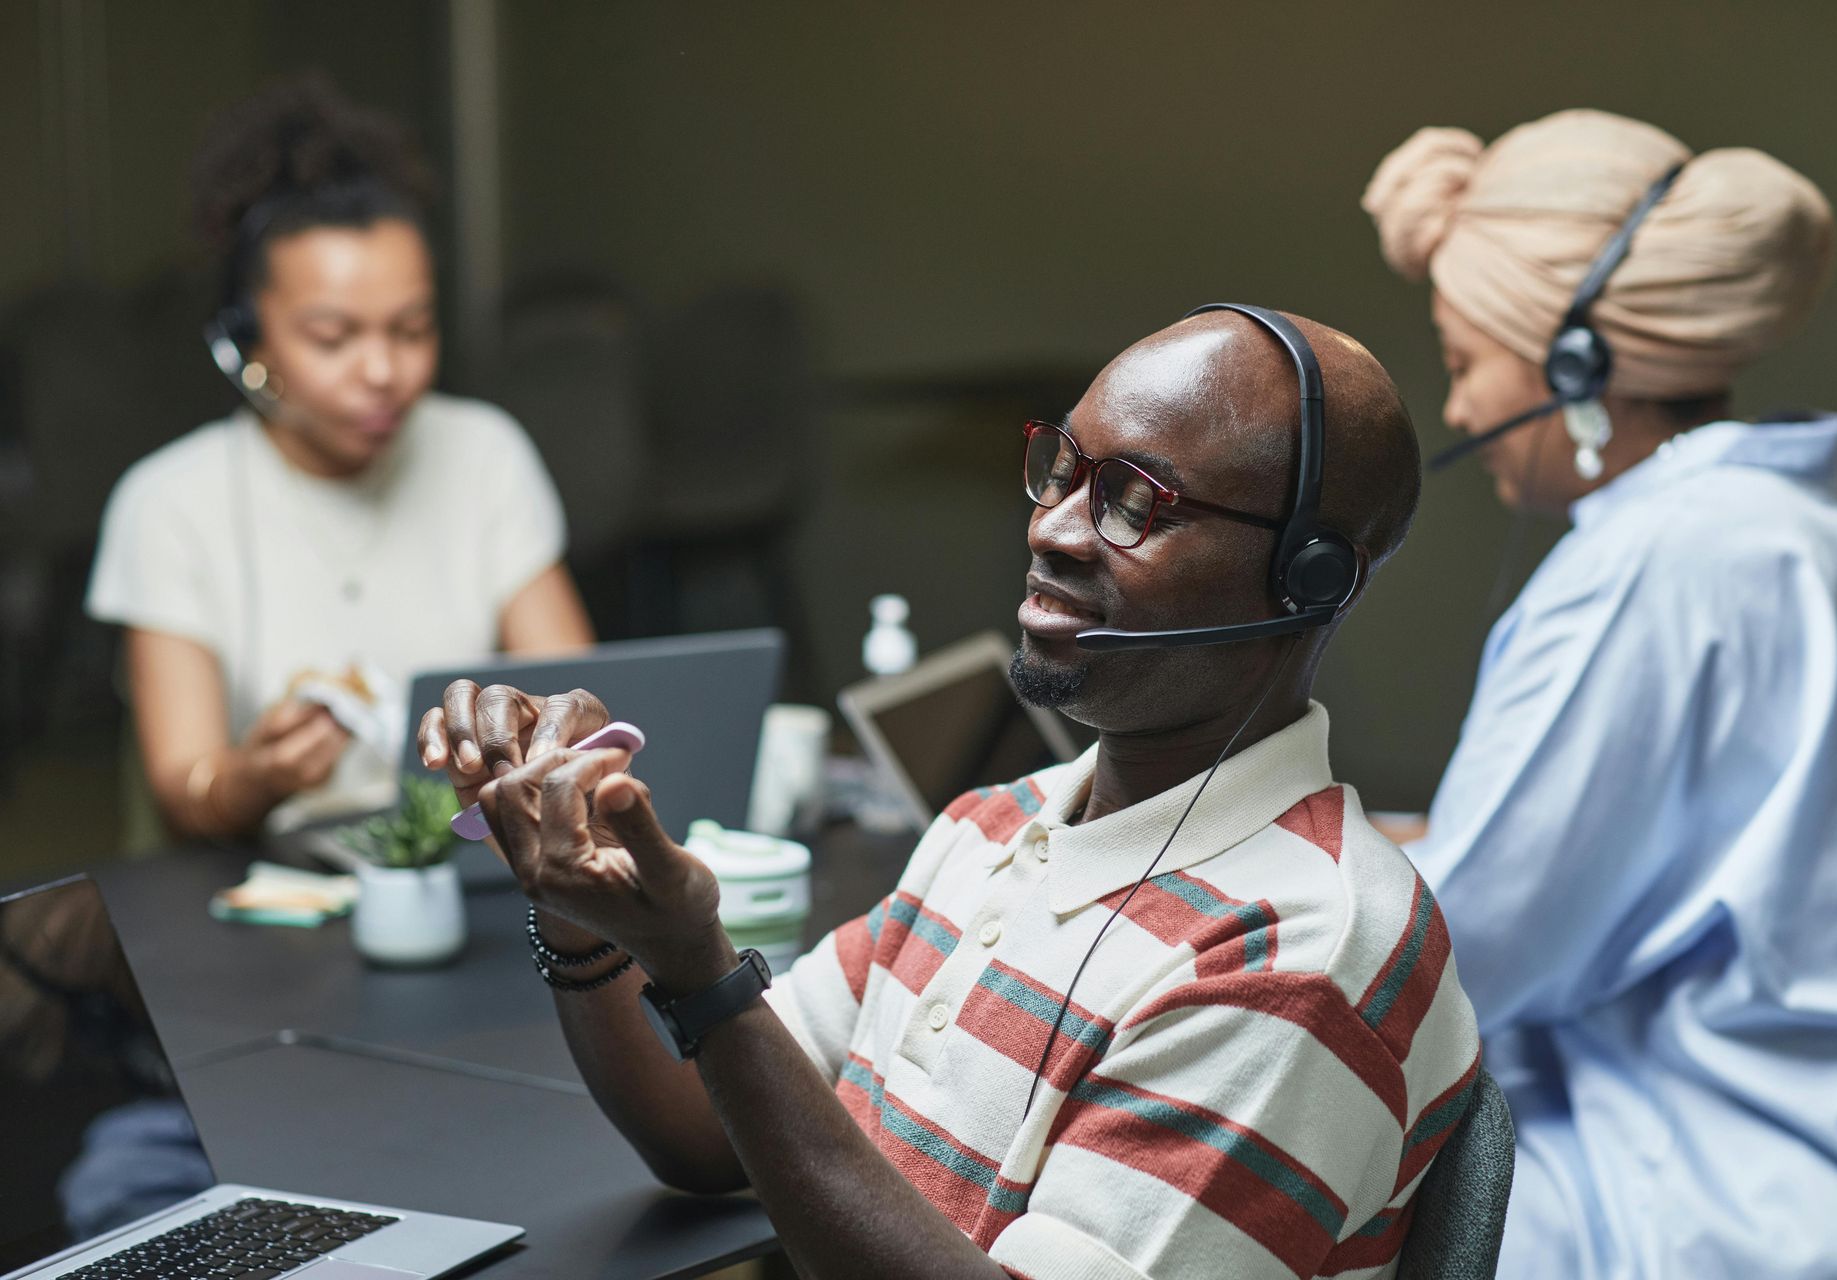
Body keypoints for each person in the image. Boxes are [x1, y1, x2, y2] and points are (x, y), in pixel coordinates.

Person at [415, 308, 1481, 1279]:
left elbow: (720, 1047)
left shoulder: (1297, 956)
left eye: (1132, 502)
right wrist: (575, 895)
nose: (1053, 529)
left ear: (1308, 580)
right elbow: (703, 1127)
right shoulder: (994, 829)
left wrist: (701, 973)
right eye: (1063, 469)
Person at [1362, 109, 1837, 1277]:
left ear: (1574, 365)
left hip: (1743, 1195)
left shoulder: (1660, 559)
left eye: (1465, 363)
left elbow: (1467, 954)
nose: (1460, 411)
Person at [86, 76, 593, 841]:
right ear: (247, 341)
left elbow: (577, 708)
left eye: (412, 329)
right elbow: (183, 793)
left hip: (465, 872)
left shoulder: (485, 453)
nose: (384, 371)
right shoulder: (168, 502)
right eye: (333, 338)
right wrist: (256, 778)